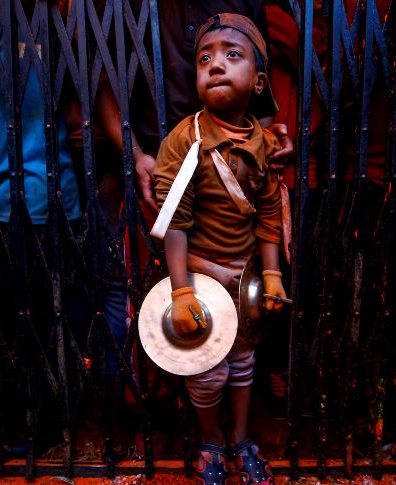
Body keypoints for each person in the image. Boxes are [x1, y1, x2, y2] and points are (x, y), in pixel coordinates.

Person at [153, 13, 287, 484]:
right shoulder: (183, 140)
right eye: (205, 58)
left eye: (233, 55)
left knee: (244, 363)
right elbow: (174, 222)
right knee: (207, 371)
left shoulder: (264, 144)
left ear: (258, 82)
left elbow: (269, 213)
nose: (215, 65)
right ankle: (211, 441)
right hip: (200, 279)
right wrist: (181, 292)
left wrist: (272, 275)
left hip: (245, 279)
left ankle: (241, 438)